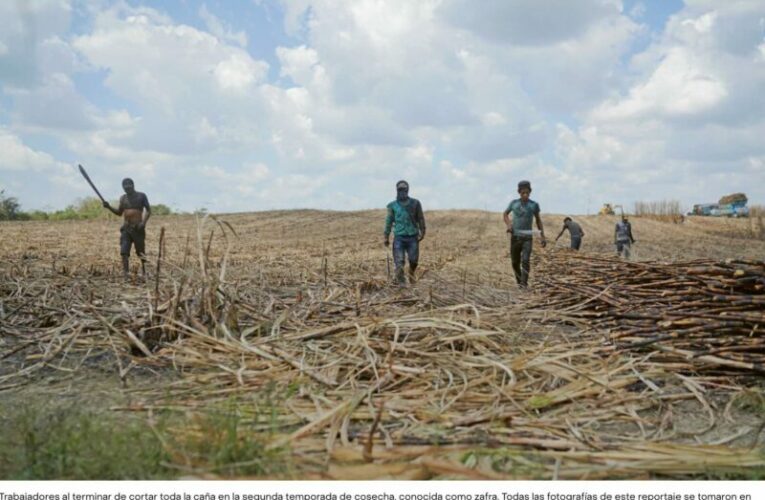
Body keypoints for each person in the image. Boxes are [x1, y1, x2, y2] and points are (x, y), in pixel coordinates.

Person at [103, 178, 151, 280]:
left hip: (138, 228)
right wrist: (109, 207)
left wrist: (143, 223)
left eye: (129, 185)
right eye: (124, 186)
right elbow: (119, 213)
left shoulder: (141, 196)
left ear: (133, 185)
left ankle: (144, 271)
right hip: (126, 228)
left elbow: (148, 211)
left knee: (140, 252)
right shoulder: (123, 198)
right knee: (124, 251)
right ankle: (126, 273)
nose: (127, 187)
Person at [503, 180, 546, 288]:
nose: (525, 195)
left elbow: (538, 220)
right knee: (514, 262)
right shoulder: (514, 203)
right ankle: (519, 282)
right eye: (523, 193)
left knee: (525, 261)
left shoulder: (534, 205)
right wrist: (509, 225)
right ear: (519, 192)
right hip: (515, 238)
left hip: (527, 238)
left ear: (530, 191)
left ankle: (524, 284)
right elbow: (505, 214)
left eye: (527, 192)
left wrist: (542, 236)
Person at [384, 180, 426, 285]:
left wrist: (423, 230)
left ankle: (411, 273)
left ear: (407, 190)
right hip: (399, 237)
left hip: (412, 237)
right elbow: (388, 221)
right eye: (400, 190)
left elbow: (420, 218)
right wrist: (386, 236)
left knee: (414, 261)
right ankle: (402, 285)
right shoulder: (392, 206)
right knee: (399, 262)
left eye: (404, 189)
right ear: (397, 190)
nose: (402, 192)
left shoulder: (415, 203)